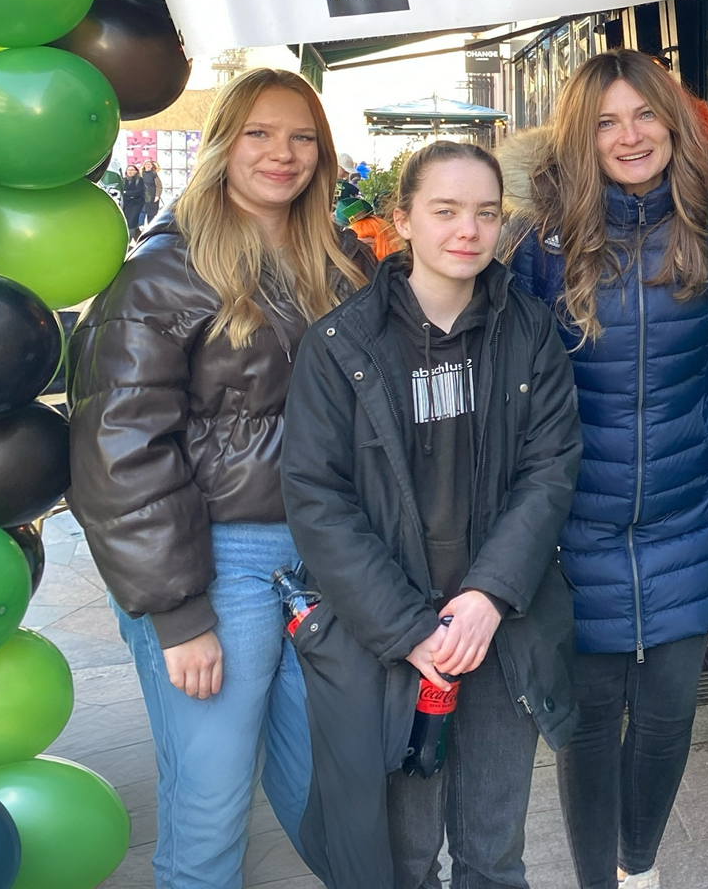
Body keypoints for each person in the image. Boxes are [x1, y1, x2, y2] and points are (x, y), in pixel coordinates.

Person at [66, 68, 372, 889]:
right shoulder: (164, 271)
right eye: (259, 134)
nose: (283, 153)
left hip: (327, 558)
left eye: (302, 137)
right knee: (209, 813)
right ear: (222, 145)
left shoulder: (342, 262)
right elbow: (119, 447)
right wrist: (176, 612)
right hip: (217, 563)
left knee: (337, 800)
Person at [281, 140, 583, 889]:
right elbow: (318, 498)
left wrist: (488, 596)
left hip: (500, 634)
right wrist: (411, 629)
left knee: (493, 855)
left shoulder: (530, 330)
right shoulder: (339, 344)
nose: (468, 231)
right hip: (391, 643)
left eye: (486, 213)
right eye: (445, 210)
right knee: (405, 861)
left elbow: (550, 471)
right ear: (402, 218)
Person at [509, 50, 708, 889]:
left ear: (674, 123)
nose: (630, 136)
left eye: (645, 114)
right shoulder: (542, 241)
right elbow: (519, 385)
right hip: (576, 519)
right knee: (587, 723)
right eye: (606, 122)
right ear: (581, 137)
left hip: (685, 508)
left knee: (667, 717)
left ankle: (638, 867)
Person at [118, 162, 147, 237]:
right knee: (127, 222)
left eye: (132, 170)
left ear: (136, 171)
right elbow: (121, 191)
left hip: (137, 204)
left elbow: (139, 191)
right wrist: (129, 194)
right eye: (128, 170)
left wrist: (127, 193)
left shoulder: (140, 180)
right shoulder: (123, 180)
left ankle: (132, 237)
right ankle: (134, 237)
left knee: (133, 222)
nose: (130, 172)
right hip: (126, 204)